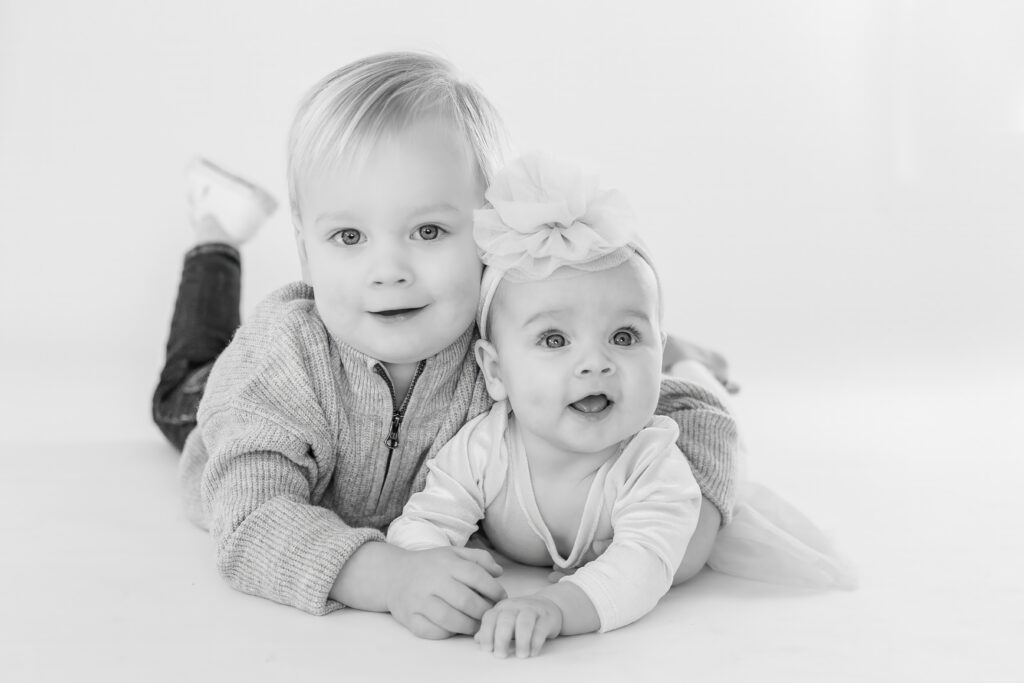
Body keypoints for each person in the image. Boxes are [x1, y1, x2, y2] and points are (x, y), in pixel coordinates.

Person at [154, 51, 738, 640]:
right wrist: (387, 576)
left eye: (428, 231)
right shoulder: (280, 365)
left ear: (489, 237)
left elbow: (687, 412)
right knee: (182, 385)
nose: (388, 270)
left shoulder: (503, 345)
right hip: (220, 414)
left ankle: (678, 342)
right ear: (306, 252)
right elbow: (249, 518)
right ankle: (215, 234)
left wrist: (692, 514)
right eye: (348, 236)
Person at [387, 154, 710, 658]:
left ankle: (693, 367)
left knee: (703, 403)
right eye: (555, 339)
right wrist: (428, 567)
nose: (595, 364)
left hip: (694, 415)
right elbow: (424, 521)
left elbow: (642, 564)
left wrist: (556, 607)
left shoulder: (652, 463)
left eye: (625, 336)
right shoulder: (483, 448)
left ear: (655, 347)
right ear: (495, 372)